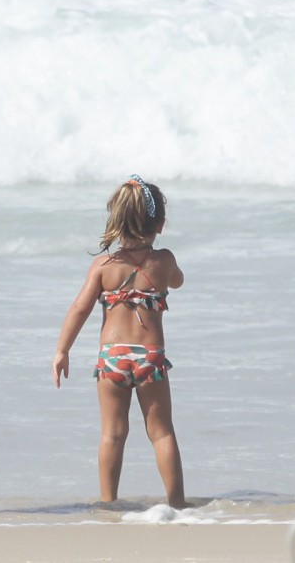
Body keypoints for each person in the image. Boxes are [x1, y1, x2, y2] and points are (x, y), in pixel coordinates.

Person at [52, 175, 187, 509]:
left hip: (112, 357)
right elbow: (178, 281)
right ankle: (177, 503)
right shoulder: (164, 261)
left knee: (112, 434)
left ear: (117, 221)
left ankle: (108, 502)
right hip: (149, 358)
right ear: (159, 224)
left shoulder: (102, 266)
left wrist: (62, 350)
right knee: (162, 433)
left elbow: (79, 308)